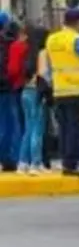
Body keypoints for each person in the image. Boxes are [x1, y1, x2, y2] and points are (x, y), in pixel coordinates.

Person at [46, 7, 79, 176]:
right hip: (77, 90)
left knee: (64, 129)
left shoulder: (52, 40)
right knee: (75, 128)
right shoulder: (78, 40)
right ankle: (73, 163)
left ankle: (66, 162)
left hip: (58, 90)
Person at [17, 26, 49, 174]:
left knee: (28, 128)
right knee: (38, 129)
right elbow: (43, 73)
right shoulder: (42, 52)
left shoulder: (27, 51)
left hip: (25, 91)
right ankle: (36, 163)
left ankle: (22, 162)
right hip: (37, 92)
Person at [5, 23, 29, 169]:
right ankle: (25, 158)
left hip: (15, 86)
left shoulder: (16, 47)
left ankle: (16, 157)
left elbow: (13, 69)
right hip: (26, 86)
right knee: (27, 123)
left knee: (16, 123)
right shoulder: (27, 46)